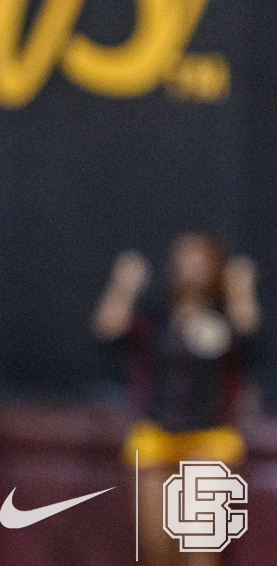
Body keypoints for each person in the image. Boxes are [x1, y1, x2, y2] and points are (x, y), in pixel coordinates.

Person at [92, 233, 261, 566]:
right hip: (155, 433)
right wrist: (123, 285)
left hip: (209, 437)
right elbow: (107, 334)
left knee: (200, 549)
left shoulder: (226, 317)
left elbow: (252, 345)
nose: (192, 266)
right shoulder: (157, 318)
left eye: (201, 259)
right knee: (159, 550)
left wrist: (241, 289)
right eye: (186, 257)